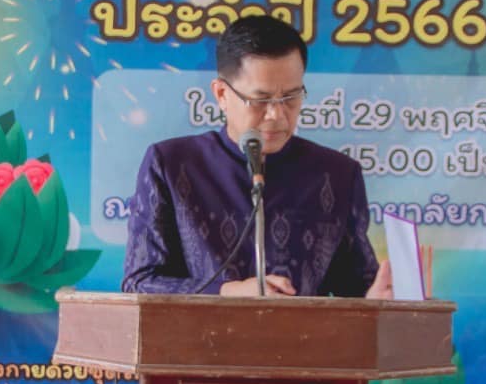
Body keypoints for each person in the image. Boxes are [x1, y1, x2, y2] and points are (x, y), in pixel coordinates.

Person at [121, 15, 395, 299]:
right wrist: (228, 292)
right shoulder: (171, 164)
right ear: (221, 94)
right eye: (260, 100)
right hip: (195, 329)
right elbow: (140, 281)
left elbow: (357, 287)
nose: (276, 114)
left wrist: (376, 297)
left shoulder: (337, 174)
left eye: (291, 97)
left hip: (303, 329)